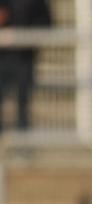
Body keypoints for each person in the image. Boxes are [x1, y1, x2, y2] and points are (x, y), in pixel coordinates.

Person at [0, 0, 52, 132]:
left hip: (25, 59)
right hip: (3, 58)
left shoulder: (37, 3)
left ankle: (23, 142)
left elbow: (46, 24)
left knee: (23, 101)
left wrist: (27, 38)